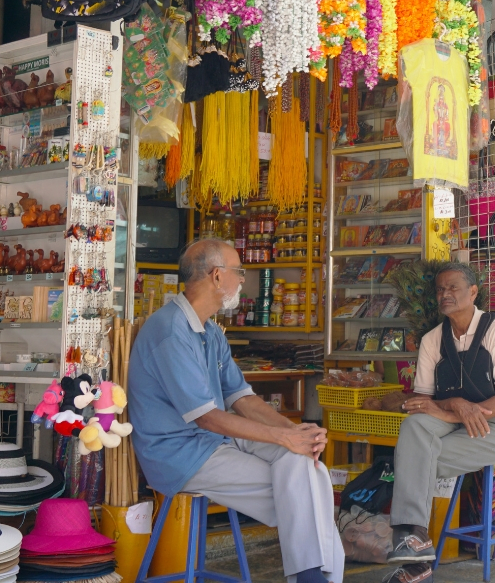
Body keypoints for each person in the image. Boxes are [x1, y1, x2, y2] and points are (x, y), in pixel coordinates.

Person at [127, 240, 343, 583]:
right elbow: (206, 416)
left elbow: (242, 398)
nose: (242, 280)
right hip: (180, 454)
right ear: (216, 277)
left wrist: (296, 432)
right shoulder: (170, 332)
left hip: (216, 441)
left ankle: (313, 577)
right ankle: (314, 578)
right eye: (238, 271)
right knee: (303, 491)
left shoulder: (210, 332)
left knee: (303, 464)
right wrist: (282, 436)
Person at [383, 263, 495, 583]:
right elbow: (422, 404)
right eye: (439, 290)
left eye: (453, 288)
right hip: (450, 423)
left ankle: (416, 564)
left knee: (412, 459)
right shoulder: (433, 340)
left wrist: (450, 413)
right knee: (413, 428)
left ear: (473, 292)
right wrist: (454, 407)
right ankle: (413, 536)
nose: (445, 294)